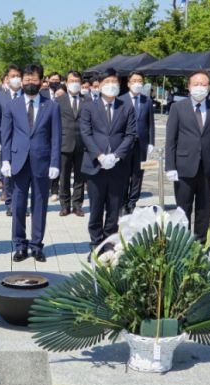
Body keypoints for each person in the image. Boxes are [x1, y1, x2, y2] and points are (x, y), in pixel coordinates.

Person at [1, 63, 61, 263]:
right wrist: (5, 160)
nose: (29, 82)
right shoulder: (13, 105)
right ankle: (19, 245)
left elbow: (56, 137)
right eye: (26, 79)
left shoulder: (51, 106)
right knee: (18, 205)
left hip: (42, 162)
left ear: (41, 81)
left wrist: (55, 163)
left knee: (40, 204)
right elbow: (6, 135)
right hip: (18, 162)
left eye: (34, 79)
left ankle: (36, 245)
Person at [165, 69, 210, 243]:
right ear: (188, 86)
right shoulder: (178, 108)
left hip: (208, 168)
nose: (200, 87)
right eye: (196, 84)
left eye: (204, 84)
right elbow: (171, 140)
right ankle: (182, 245)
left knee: (204, 209)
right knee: (183, 209)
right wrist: (170, 166)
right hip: (184, 167)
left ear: (209, 87)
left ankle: (200, 246)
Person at [80, 68, 136, 256]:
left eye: (114, 82)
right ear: (100, 85)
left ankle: (109, 245)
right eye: (107, 82)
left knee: (114, 208)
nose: (111, 86)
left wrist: (117, 156)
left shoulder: (126, 106)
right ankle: (95, 245)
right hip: (95, 166)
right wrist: (100, 155)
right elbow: (86, 133)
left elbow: (130, 134)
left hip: (118, 167)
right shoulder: (89, 106)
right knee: (96, 208)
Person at [119, 71, 155, 215]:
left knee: (137, 174)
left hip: (142, 143)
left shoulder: (147, 101)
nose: (137, 83)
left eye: (140, 81)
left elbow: (150, 123)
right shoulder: (121, 100)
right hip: (124, 144)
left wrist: (151, 142)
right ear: (128, 83)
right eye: (134, 81)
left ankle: (132, 202)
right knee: (123, 173)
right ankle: (122, 202)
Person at [0, 64, 24, 216]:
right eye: (12, 76)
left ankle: (22, 204)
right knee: (8, 174)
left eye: (18, 76)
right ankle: (10, 204)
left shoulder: (27, 95)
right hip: (6, 141)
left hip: (23, 141)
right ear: (7, 79)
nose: (16, 79)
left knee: (23, 175)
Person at [55, 70, 85, 217]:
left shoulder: (88, 101)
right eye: (71, 81)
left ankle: (77, 205)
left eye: (77, 81)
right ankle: (65, 205)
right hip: (64, 143)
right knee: (64, 177)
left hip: (82, 144)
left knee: (80, 177)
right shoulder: (59, 101)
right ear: (66, 83)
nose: (74, 83)